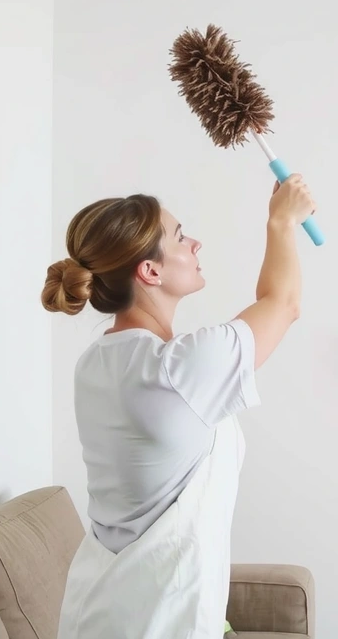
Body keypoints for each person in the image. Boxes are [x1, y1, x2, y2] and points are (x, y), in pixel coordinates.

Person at [41, 175, 316, 638]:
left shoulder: (95, 363)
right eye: (180, 236)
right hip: (157, 623)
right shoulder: (178, 370)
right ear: (150, 271)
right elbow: (283, 303)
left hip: (101, 610)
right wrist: (282, 222)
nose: (195, 243)